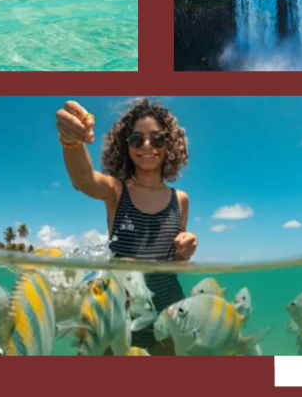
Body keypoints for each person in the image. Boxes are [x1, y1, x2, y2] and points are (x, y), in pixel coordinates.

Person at [56, 98, 197, 355]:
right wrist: (71, 140)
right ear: (125, 145)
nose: (147, 146)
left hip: (167, 316)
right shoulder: (117, 191)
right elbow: (84, 179)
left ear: (169, 145)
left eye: (157, 139)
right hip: (116, 317)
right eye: (136, 139)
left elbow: (176, 261)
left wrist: (185, 252)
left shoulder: (181, 200)